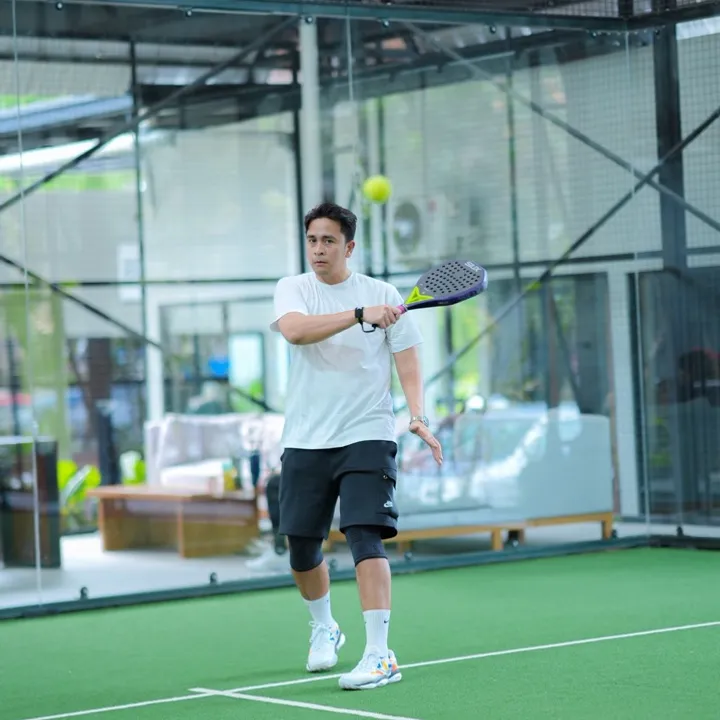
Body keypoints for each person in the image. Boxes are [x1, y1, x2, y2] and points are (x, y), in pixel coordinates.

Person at [270, 201, 443, 691]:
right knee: (302, 547)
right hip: (306, 438)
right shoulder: (293, 289)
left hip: (368, 433)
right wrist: (360, 315)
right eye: (312, 240)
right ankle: (325, 625)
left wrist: (417, 416)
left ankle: (379, 654)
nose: (318, 249)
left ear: (349, 247)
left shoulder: (383, 293)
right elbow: (295, 332)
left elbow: (406, 355)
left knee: (365, 536)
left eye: (328, 241)